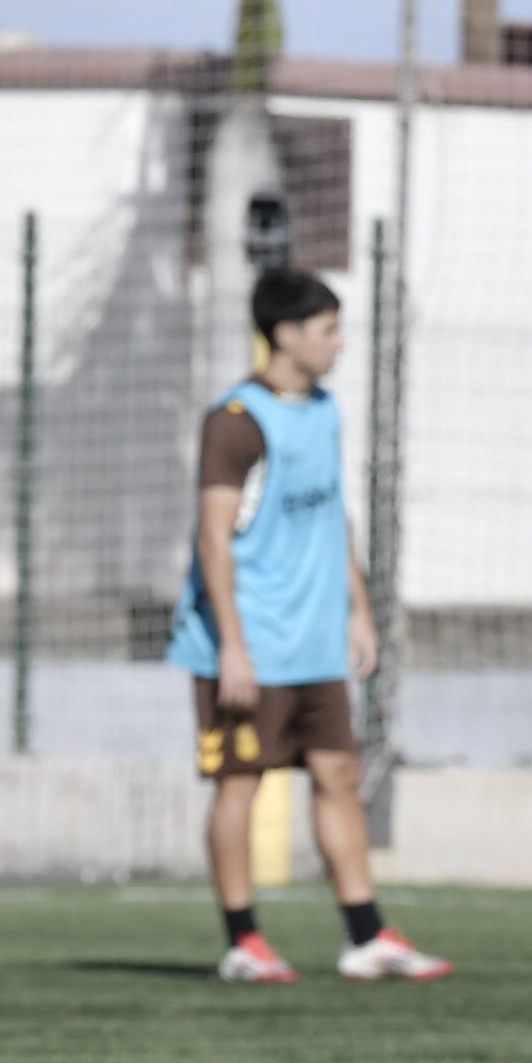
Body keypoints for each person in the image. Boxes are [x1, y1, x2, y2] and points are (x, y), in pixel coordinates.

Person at [165, 267, 449, 985]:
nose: (340, 343)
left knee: (339, 775)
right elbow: (213, 538)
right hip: (252, 645)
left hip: (315, 642)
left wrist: (359, 609)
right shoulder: (236, 422)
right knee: (240, 784)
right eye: (328, 330)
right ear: (286, 334)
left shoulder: (323, 409)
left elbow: (332, 516)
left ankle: (367, 935)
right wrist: (232, 646)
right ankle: (244, 941)